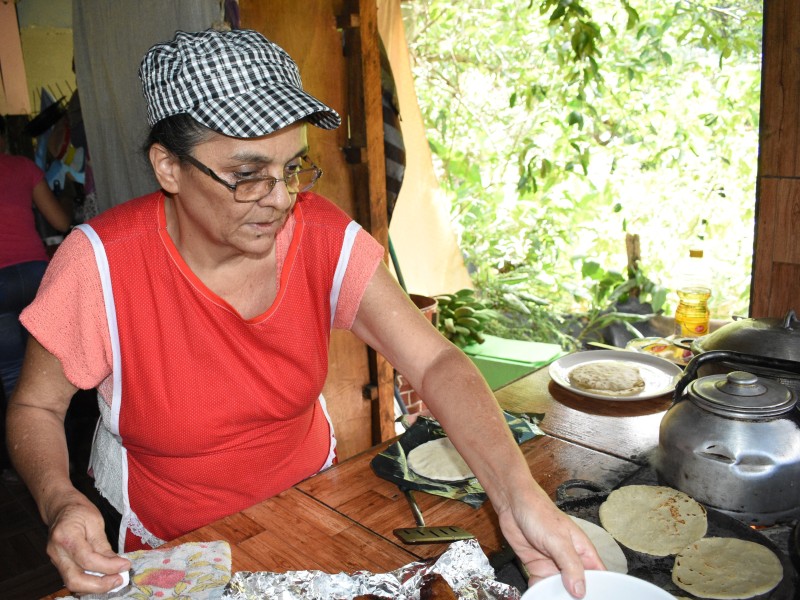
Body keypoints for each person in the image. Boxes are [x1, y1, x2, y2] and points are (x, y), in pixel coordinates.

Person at [7, 29, 603, 596]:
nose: (280, 199)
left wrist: (516, 494)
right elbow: (36, 406)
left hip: (315, 509)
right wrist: (60, 499)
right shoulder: (101, 266)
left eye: (291, 168)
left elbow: (435, 362)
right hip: (176, 549)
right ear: (168, 167)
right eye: (247, 175)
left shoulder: (318, 235)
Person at [0, 114, 70, 474]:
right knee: (54, 367)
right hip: (34, 274)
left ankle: (30, 464)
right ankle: (67, 453)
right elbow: (60, 222)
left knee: (14, 375)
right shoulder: (23, 167)